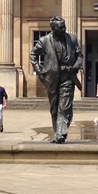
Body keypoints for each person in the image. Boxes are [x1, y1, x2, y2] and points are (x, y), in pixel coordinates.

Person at [29, 16, 83, 144]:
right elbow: (33, 55)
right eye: (61, 27)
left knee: (64, 107)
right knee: (54, 108)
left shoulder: (72, 38)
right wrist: (39, 69)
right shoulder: (44, 40)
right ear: (53, 28)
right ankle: (57, 133)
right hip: (51, 78)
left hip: (68, 77)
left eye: (64, 26)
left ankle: (60, 133)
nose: (64, 29)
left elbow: (79, 55)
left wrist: (75, 67)